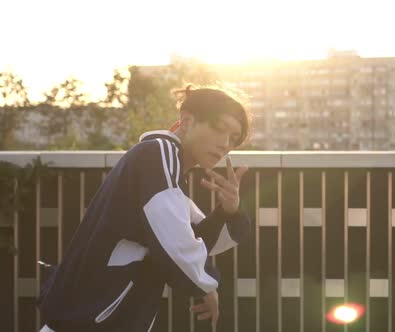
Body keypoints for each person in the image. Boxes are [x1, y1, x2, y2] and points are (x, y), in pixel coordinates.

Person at [37, 85, 252, 332]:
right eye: (219, 128)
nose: (225, 144)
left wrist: (229, 211)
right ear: (187, 120)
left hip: (98, 318)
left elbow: (197, 240)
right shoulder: (158, 152)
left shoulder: (168, 174)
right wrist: (207, 284)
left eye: (234, 139)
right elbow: (179, 248)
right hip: (90, 319)